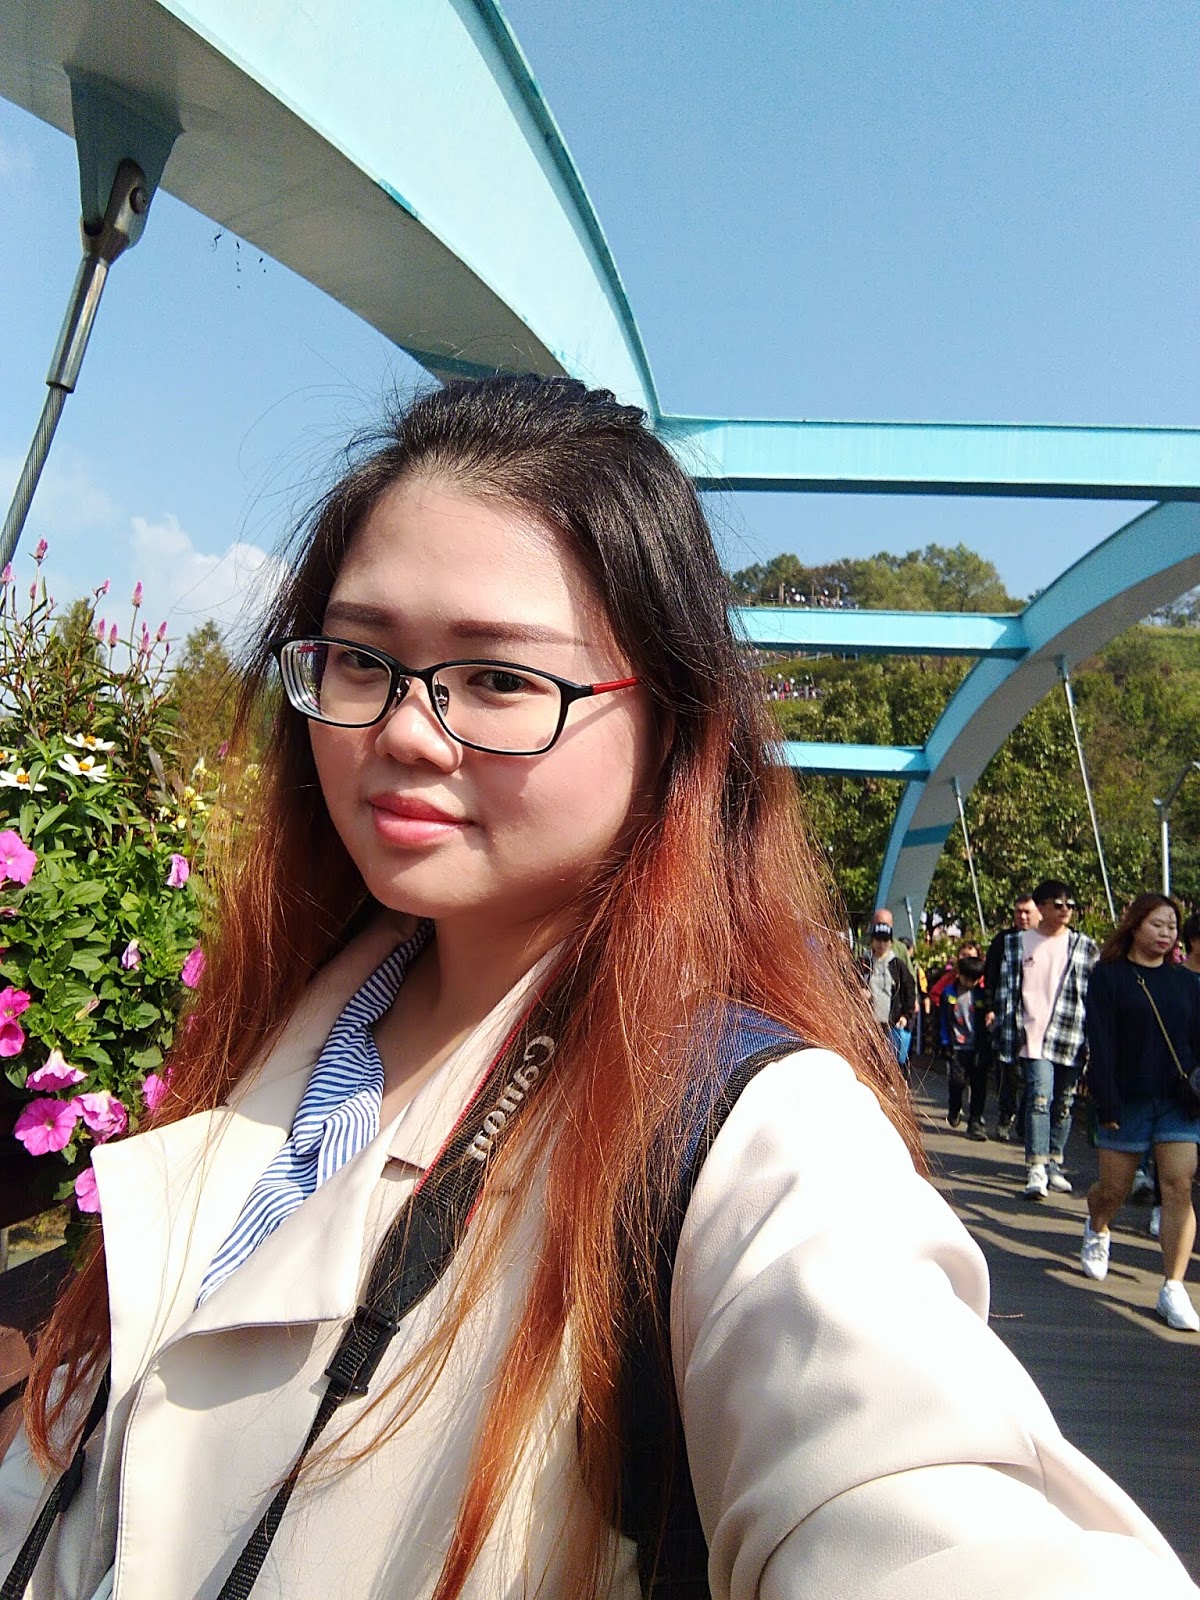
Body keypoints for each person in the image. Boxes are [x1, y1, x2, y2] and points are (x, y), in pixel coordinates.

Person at [3, 376, 1197, 1600]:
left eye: (501, 679)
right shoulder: (276, 1038)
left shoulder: (743, 1138)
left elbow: (924, 1505)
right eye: (360, 659)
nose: (405, 730)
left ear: (672, 724)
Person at [1080, 894, 1200, 1332]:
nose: (1167, 933)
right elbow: (1100, 1040)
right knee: (1114, 1189)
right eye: (1158, 924)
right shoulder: (1109, 975)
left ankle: (1173, 1286)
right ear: (1134, 925)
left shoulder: (1186, 982)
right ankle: (1098, 1226)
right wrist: (1106, 1099)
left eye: (1172, 926)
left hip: (1177, 1103)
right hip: (1126, 1099)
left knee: (1178, 1184)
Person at [993, 880, 1099, 1199]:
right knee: (1040, 1098)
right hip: (1032, 1034)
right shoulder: (1017, 943)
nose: (1065, 910)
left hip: (1070, 1034)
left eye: (1070, 904)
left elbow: (1095, 995)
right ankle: (1036, 1166)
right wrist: (1004, 1031)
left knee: (1064, 1103)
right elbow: (1005, 989)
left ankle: (1054, 1161)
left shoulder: (1083, 946)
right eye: (1058, 904)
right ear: (1041, 907)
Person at [985, 892, 1040, 1139]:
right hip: (1007, 1015)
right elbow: (991, 975)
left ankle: (1025, 1122)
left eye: (1028, 912)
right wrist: (989, 1008)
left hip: (1036, 1017)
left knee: (1033, 1073)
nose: (1023, 916)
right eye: (1019, 911)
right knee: (1006, 1071)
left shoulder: (1045, 941)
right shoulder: (1003, 940)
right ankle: (1005, 1116)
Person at [940, 951, 988, 1138]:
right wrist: (945, 1041)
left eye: (974, 980)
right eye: (967, 978)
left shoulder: (981, 995)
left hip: (977, 1047)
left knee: (978, 1086)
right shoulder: (949, 993)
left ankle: (975, 1121)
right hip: (956, 1047)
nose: (970, 983)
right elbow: (942, 1019)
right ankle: (954, 1108)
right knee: (957, 1082)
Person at [859, 914, 916, 1070]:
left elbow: (909, 989)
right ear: (872, 941)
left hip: (891, 1023)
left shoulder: (897, 965)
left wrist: (906, 1015)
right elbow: (849, 983)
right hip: (867, 1024)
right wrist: (859, 992)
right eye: (878, 939)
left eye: (885, 940)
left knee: (891, 1064)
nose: (881, 944)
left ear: (891, 942)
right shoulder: (863, 962)